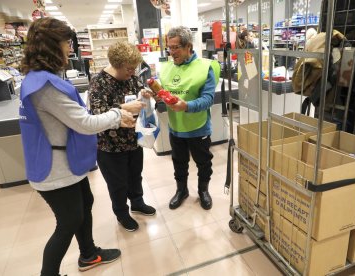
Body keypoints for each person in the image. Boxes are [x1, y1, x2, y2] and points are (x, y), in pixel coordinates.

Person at [19, 17, 142, 275]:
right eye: (66, 42)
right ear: (52, 46)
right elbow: (85, 123)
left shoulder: (38, 79)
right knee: (68, 221)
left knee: (85, 203)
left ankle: (88, 254)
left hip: (66, 162)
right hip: (54, 168)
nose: (69, 48)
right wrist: (119, 115)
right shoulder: (45, 87)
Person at [89, 41, 156, 232]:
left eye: (134, 68)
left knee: (135, 176)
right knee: (117, 184)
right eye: (128, 69)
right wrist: (125, 107)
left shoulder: (131, 78)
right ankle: (121, 213)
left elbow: (138, 96)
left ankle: (137, 202)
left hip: (133, 141)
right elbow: (96, 113)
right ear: (117, 64)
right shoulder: (99, 82)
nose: (132, 72)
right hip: (110, 146)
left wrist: (144, 95)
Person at [159, 26, 220, 210]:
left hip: (198, 127)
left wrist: (186, 106)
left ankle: (203, 191)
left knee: (203, 163)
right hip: (175, 127)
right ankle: (182, 190)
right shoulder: (166, 68)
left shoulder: (205, 67)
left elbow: (208, 99)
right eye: (169, 47)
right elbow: (163, 94)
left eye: (176, 47)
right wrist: (153, 95)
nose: (171, 52)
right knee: (179, 163)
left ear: (188, 47)